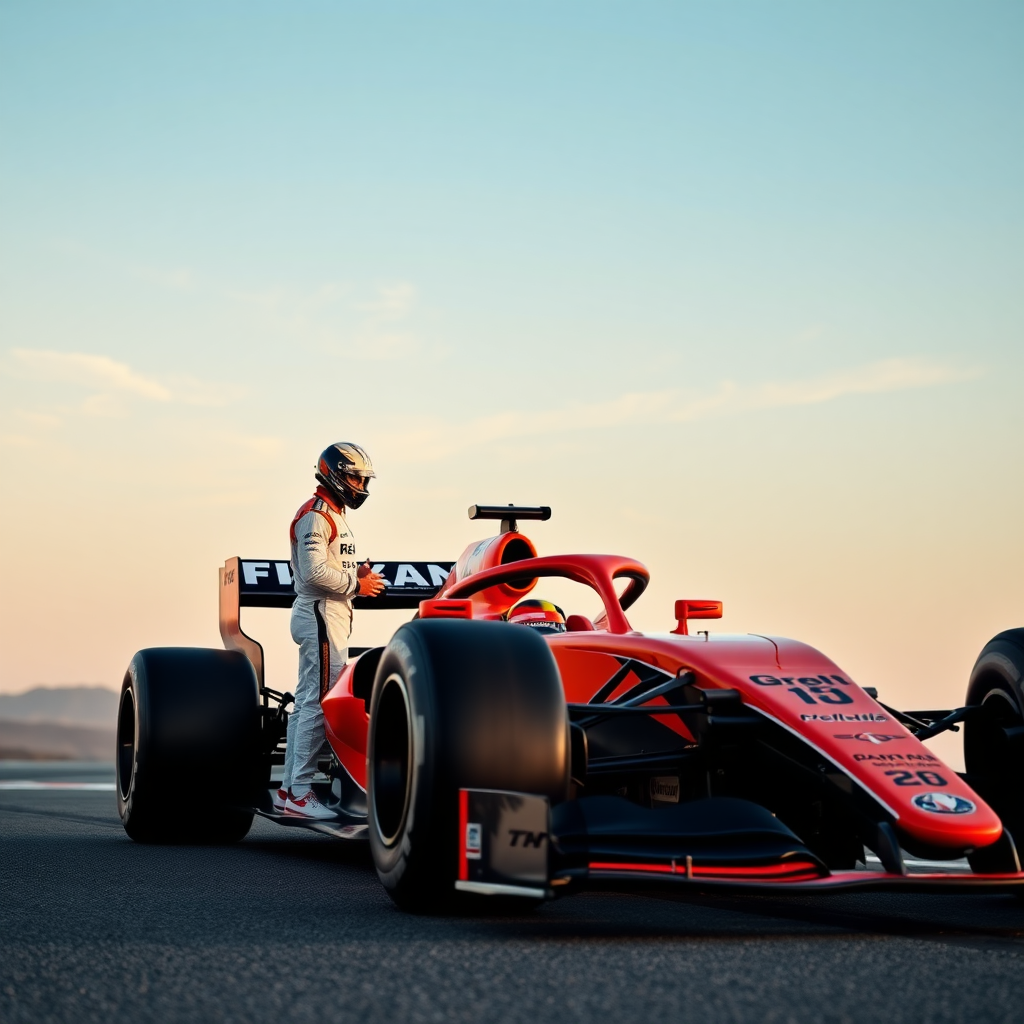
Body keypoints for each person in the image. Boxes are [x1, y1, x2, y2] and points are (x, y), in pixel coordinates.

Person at [274, 442, 386, 819]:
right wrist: (358, 584)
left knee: (309, 701)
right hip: (321, 614)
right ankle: (301, 793)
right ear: (335, 473)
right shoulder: (317, 516)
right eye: (355, 476)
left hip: (328, 615)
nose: (360, 484)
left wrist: (358, 576)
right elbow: (313, 573)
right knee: (319, 703)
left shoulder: (332, 514)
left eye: (362, 478)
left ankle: (290, 790)